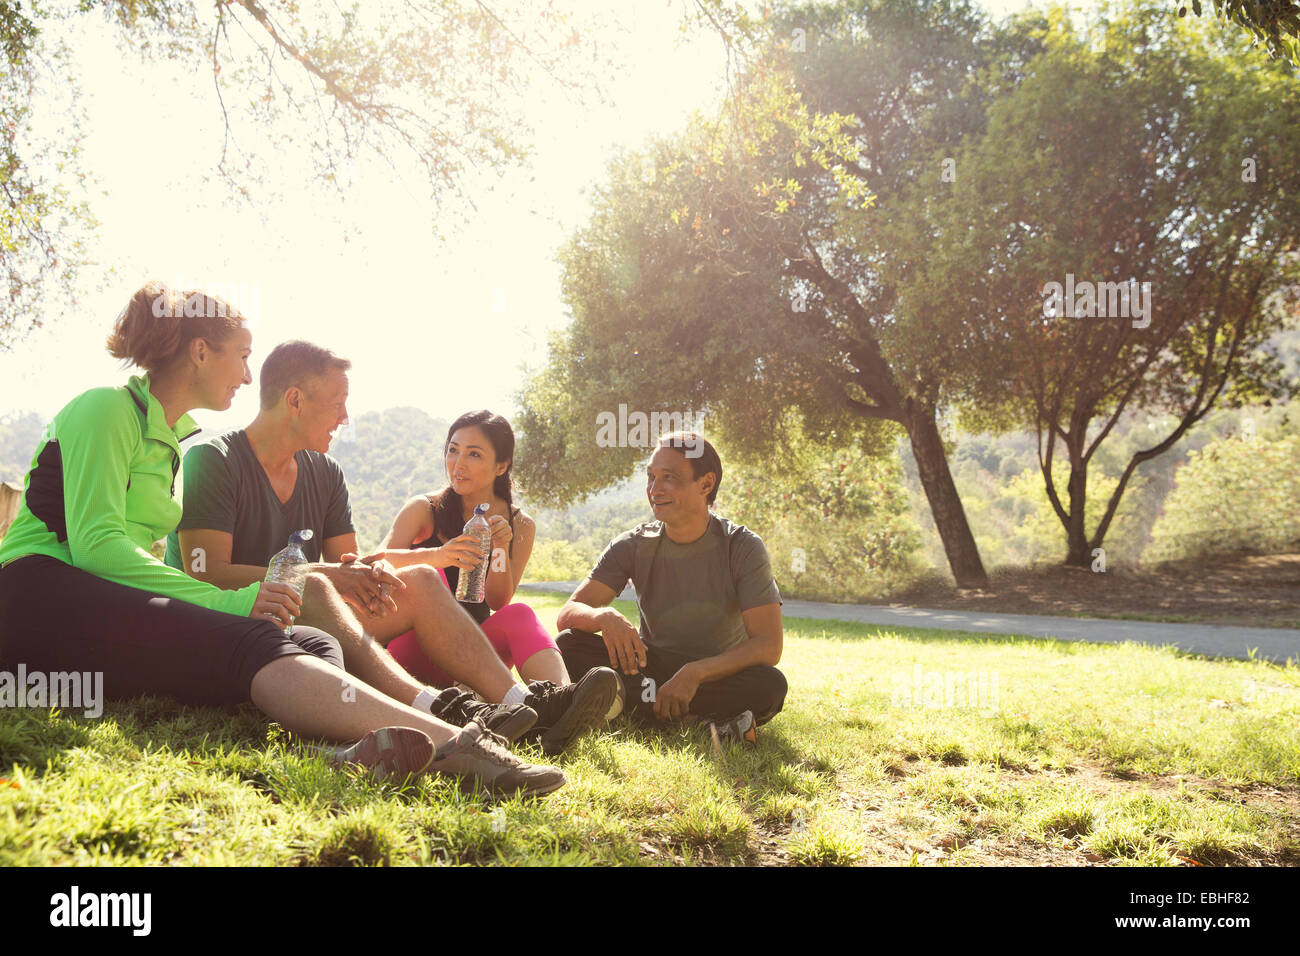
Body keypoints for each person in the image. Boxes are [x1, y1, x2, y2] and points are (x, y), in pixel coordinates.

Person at [0, 282, 563, 796]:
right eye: (242, 356)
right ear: (200, 351)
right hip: (38, 591)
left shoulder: (169, 438)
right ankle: (457, 743)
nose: (248, 375)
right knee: (260, 641)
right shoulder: (107, 410)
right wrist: (234, 602)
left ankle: (341, 754)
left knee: (316, 648)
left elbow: (135, 560)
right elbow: (98, 547)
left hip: (105, 608)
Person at [166, 343, 620, 757]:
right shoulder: (215, 459)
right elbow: (206, 574)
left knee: (420, 579)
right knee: (321, 588)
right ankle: (440, 709)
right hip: (236, 618)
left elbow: (354, 567)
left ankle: (524, 706)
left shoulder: (326, 473)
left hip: (310, 613)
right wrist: (328, 575)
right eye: (338, 403)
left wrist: (368, 579)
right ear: (295, 400)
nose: (345, 417)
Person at [556, 432, 787, 743]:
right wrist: (604, 617)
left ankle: (633, 708)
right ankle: (698, 719)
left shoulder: (742, 546)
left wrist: (695, 672)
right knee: (570, 644)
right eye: (651, 477)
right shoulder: (632, 544)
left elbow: (768, 645)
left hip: (713, 677)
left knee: (769, 685)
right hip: (649, 674)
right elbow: (569, 612)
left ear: (705, 484)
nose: (655, 490)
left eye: (669, 478)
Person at [375, 410, 569, 688]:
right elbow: (378, 560)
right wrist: (437, 557)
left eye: (474, 454)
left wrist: (500, 547)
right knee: (430, 577)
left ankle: (562, 698)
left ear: (501, 466)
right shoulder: (424, 509)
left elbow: (499, 601)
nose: (458, 464)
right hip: (415, 651)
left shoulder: (520, 525)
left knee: (520, 614)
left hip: (472, 657)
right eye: (453, 451)